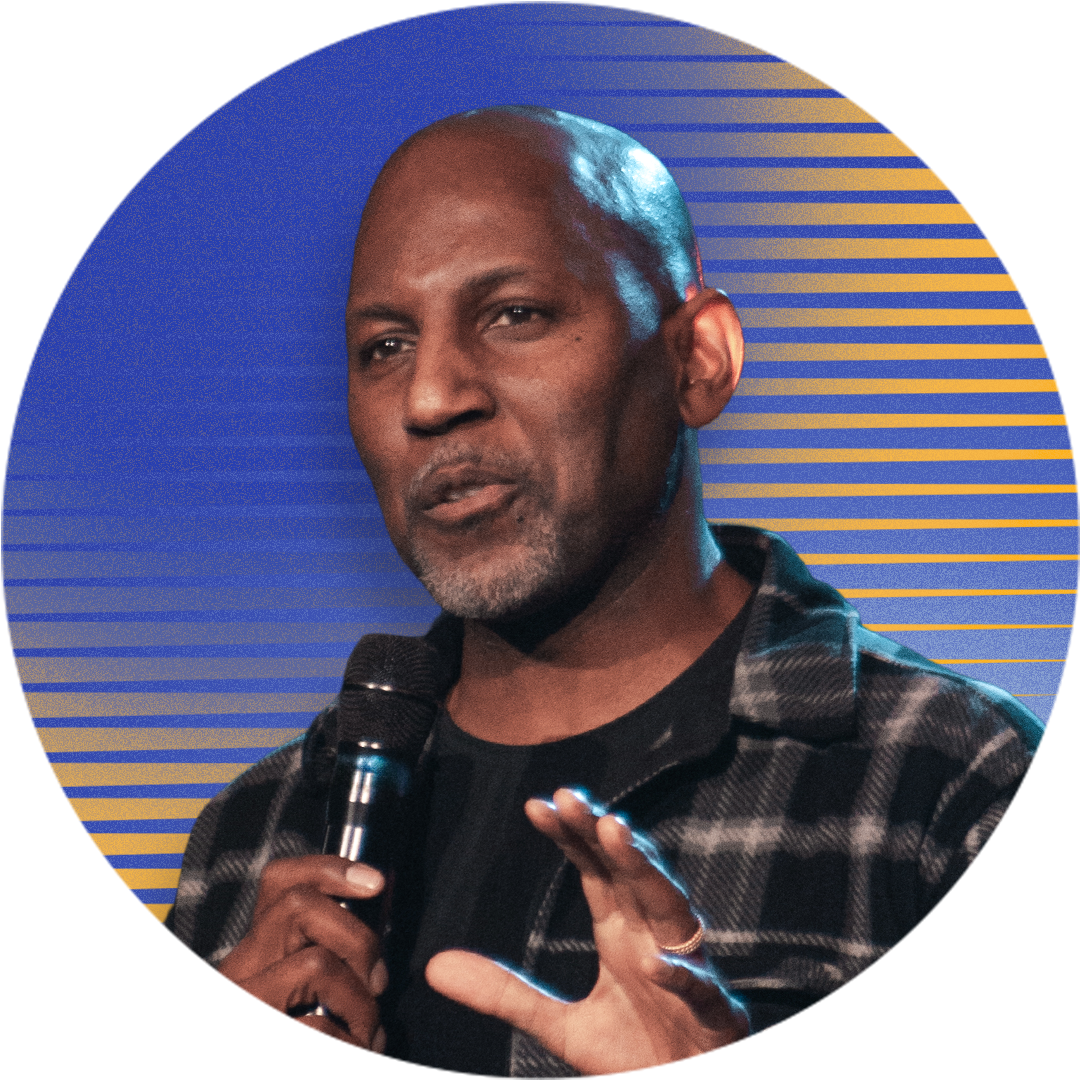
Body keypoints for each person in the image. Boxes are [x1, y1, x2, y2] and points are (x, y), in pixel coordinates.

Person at [137, 107, 1077, 1079]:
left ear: (698, 360)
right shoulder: (254, 833)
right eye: (385, 347)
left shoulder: (971, 788)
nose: (432, 398)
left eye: (514, 315)